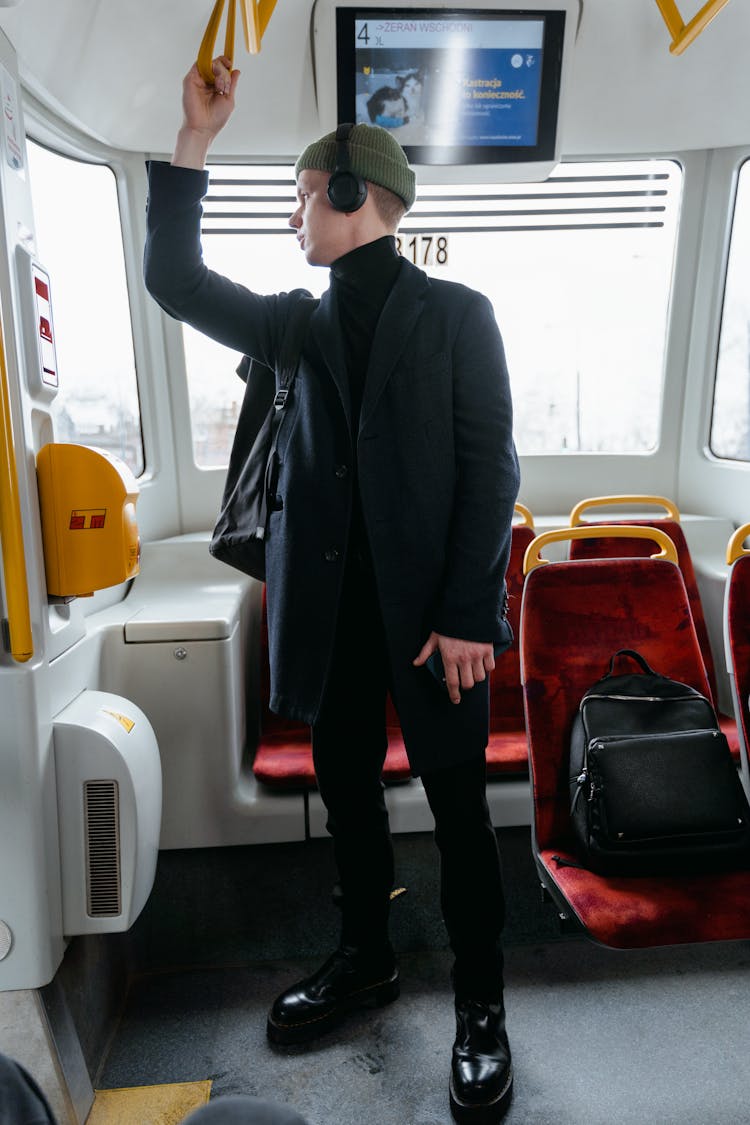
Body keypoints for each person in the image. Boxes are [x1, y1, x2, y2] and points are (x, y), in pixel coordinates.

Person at [144, 55, 520, 1125]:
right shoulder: (296, 325)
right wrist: (195, 147)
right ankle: (365, 961)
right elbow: (175, 282)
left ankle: (483, 1005)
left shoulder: (458, 315)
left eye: (301, 198)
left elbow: (491, 471)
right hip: (330, 624)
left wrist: (465, 615)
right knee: (348, 796)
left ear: (355, 196)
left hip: (432, 627)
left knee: (456, 812)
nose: (293, 221)